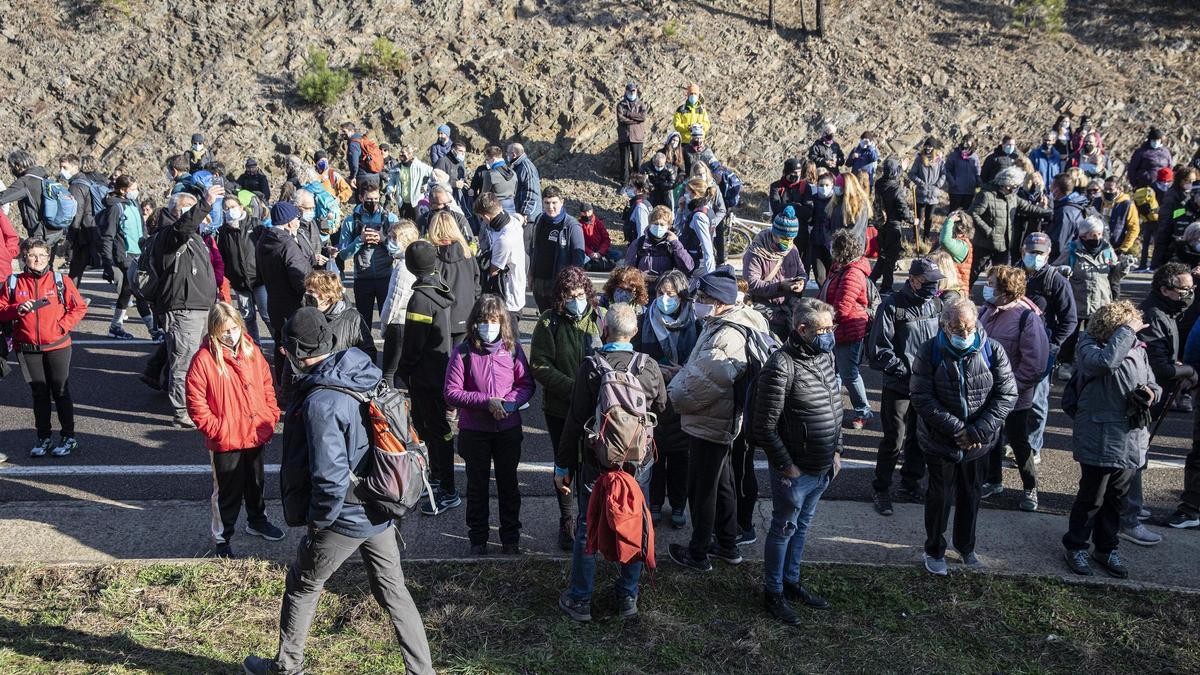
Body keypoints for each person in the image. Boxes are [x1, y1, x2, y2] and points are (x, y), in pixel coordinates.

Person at [243, 308, 433, 675]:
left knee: (303, 583)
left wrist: (317, 523)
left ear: (296, 351)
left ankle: (287, 666)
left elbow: (329, 478)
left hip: (344, 516)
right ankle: (423, 671)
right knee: (395, 594)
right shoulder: (359, 368)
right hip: (380, 508)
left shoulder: (321, 402)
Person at [555, 302, 666, 622]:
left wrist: (562, 467)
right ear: (634, 332)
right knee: (634, 523)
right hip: (637, 465)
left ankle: (580, 599)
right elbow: (663, 407)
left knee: (587, 527)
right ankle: (627, 596)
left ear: (605, 330)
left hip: (597, 463)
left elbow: (574, 421)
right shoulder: (648, 366)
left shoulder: (591, 366)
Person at [667, 267, 771, 571]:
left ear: (720, 301)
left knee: (702, 489)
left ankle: (698, 552)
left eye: (703, 297)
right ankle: (727, 544)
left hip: (711, 421)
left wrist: (672, 393)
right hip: (722, 420)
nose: (697, 301)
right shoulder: (727, 323)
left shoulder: (727, 335)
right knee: (723, 485)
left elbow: (703, 385)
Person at [911, 298, 1017, 575]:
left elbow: (1006, 395)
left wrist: (976, 432)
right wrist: (957, 429)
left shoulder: (993, 350)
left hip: (978, 443)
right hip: (940, 440)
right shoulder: (929, 351)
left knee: (971, 495)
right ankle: (934, 549)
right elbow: (922, 397)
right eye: (958, 329)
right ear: (945, 325)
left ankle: (966, 546)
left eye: (970, 327)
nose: (965, 334)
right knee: (939, 498)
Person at [753, 298, 841, 622]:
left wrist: (837, 450)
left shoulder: (825, 356)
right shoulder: (780, 364)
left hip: (822, 467)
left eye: (831, 328)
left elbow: (835, 407)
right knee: (784, 528)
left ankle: (791, 582)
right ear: (802, 329)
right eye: (823, 330)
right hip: (795, 471)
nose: (829, 335)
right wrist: (786, 466)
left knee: (802, 527)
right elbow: (764, 425)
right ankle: (773, 592)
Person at [1061, 301, 1159, 580]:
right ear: (1114, 327)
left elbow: (1153, 383)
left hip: (1130, 436)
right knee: (1092, 497)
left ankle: (1106, 548)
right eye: (1129, 326)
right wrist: (1126, 332)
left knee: (1116, 499)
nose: (1136, 331)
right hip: (1099, 436)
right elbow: (1104, 364)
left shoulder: (1138, 348)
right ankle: (1076, 546)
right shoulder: (1089, 346)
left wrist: (1151, 395)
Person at [184, 302, 282, 557]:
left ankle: (257, 521)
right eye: (225, 331)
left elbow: (267, 385)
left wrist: (270, 416)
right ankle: (222, 538)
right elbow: (196, 403)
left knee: (256, 483)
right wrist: (217, 430)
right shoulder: (204, 359)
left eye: (235, 329)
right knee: (227, 491)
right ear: (214, 330)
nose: (231, 335)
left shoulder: (252, 350)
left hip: (255, 432)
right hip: (226, 439)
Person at [443, 294, 536, 555]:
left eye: (494, 320)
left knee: (509, 484)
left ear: (502, 322)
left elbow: (526, 385)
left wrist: (508, 403)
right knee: (477, 486)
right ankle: (478, 539)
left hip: (508, 428)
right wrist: (488, 402)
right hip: (475, 430)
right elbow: (451, 392)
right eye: (484, 320)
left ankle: (510, 538)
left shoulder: (513, 349)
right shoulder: (463, 352)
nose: (489, 325)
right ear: (475, 322)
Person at [531, 266, 605, 550]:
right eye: (570, 295)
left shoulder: (597, 319)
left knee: (592, 462)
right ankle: (567, 519)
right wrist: (573, 388)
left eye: (580, 294)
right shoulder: (549, 322)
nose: (576, 299)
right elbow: (539, 364)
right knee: (564, 463)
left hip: (595, 409)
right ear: (561, 297)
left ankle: (591, 518)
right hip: (560, 408)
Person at [1124, 263, 1196, 546]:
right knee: (1135, 456)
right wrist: (1187, 371)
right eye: (1184, 290)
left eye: (1192, 289)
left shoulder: (1167, 311)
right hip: (1143, 398)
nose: (1189, 294)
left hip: (1153, 396)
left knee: (1140, 453)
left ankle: (1133, 504)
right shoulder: (1154, 315)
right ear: (1165, 289)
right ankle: (1128, 515)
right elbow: (1160, 368)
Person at [868, 258, 946, 515]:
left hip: (927, 386)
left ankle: (911, 483)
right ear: (912, 280)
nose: (933, 288)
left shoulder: (936, 303)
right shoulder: (892, 306)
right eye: (927, 282)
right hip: (900, 386)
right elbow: (879, 349)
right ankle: (881, 488)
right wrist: (906, 373)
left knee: (920, 438)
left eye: (936, 283)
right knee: (895, 439)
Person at [0, 238, 87, 458]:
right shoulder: (13, 282)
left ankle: (69, 437)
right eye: (32, 255)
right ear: (24, 258)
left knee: (60, 391)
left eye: (42, 255)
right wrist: (16, 309)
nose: (37, 259)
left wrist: (61, 326)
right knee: (39, 393)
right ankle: (44, 437)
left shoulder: (60, 280)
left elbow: (79, 307)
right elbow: (1, 311)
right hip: (27, 347)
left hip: (58, 345)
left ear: (49, 258)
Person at [396, 240, 460, 515]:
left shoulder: (420, 299)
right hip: (439, 371)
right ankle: (438, 477)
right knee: (436, 431)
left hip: (425, 376)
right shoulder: (439, 287)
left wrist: (403, 370)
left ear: (411, 267)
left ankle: (447, 488)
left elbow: (413, 343)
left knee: (434, 431)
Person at [977, 266, 1048, 511]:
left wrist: (1009, 390)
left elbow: (1034, 364)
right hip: (988, 392)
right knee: (991, 438)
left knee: (1019, 442)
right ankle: (993, 480)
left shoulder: (1027, 317)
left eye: (991, 282)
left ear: (1005, 290)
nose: (986, 286)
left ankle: (1030, 488)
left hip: (1015, 396)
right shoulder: (987, 311)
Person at [153, 187, 222, 428]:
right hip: (184, 309)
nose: (203, 219)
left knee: (203, 359)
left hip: (201, 307)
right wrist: (205, 202)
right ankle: (183, 411)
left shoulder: (194, 236)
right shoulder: (171, 233)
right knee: (185, 361)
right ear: (181, 212)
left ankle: (198, 404)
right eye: (195, 213)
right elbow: (183, 227)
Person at [637, 270, 700, 528]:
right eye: (661, 293)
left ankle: (677, 505)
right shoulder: (646, 320)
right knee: (655, 453)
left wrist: (681, 370)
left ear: (682, 297)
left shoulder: (695, 323)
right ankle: (654, 503)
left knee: (681, 457)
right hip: (653, 395)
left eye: (671, 294)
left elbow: (700, 360)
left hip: (684, 395)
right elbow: (639, 356)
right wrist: (657, 370)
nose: (664, 299)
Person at [1021, 232, 1077, 461]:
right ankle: (1010, 440)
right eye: (1031, 251)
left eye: (1039, 253)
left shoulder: (1056, 281)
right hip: (1012, 347)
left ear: (1048, 254)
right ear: (1022, 251)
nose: (1034, 256)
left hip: (1041, 349)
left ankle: (1033, 446)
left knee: (1037, 400)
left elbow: (1069, 320)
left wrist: (1053, 346)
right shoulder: (1013, 274)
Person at [1054, 217, 1125, 380]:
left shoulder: (1107, 249)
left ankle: (1091, 365)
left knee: (1097, 336)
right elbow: (1056, 268)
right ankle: (1065, 363)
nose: (1097, 238)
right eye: (1093, 235)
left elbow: (1115, 276)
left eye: (1099, 234)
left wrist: (1123, 267)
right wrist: (1063, 270)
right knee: (1070, 337)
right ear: (1084, 236)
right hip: (1076, 302)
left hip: (1100, 302)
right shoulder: (1072, 250)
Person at [968, 166, 1051, 287]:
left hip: (1004, 245)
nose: (1017, 188)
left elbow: (1028, 208)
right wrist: (988, 231)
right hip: (985, 243)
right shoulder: (986, 195)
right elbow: (972, 213)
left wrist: (1047, 212)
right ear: (1008, 184)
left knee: (1003, 275)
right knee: (974, 271)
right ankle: (965, 294)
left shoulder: (1012, 197)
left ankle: (999, 297)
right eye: (1016, 186)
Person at [824, 229, 874, 428]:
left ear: (840, 251)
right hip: (837, 329)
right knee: (834, 371)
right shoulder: (840, 267)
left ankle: (863, 411)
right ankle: (832, 409)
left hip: (848, 330)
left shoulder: (852, 273)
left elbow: (842, 308)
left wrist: (823, 321)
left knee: (848, 373)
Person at [335, 181, 397, 326]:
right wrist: (359, 240)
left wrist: (382, 240)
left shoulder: (390, 219)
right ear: (362, 198)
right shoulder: (350, 222)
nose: (373, 202)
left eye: (376, 199)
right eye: (369, 199)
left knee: (389, 323)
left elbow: (399, 249)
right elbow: (343, 254)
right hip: (362, 278)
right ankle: (365, 349)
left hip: (386, 277)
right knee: (363, 323)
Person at [99, 175, 153, 340]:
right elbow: (108, 236)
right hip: (126, 255)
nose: (136, 192)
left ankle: (116, 326)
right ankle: (153, 329)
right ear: (122, 190)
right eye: (132, 189)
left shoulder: (134, 203)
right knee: (137, 291)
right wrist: (108, 262)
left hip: (138, 253)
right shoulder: (116, 208)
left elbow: (142, 228)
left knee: (128, 290)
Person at [743, 206, 806, 338]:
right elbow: (751, 284)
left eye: (791, 238)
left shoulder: (792, 249)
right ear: (774, 233)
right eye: (784, 238)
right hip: (766, 314)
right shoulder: (756, 252)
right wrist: (781, 286)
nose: (788, 242)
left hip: (789, 312)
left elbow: (802, 272)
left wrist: (801, 282)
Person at [216, 195, 267, 343]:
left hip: (260, 280)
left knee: (266, 315)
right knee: (248, 317)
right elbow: (223, 257)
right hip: (240, 284)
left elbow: (266, 249)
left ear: (241, 207)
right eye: (226, 208)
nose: (229, 210)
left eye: (232, 207)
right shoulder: (223, 232)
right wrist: (231, 276)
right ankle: (256, 348)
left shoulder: (256, 225)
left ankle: (279, 345)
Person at [0, 150, 66, 262]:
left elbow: (2, 198)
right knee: (45, 268)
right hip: (55, 231)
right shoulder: (43, 178)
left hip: (40, 233)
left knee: (35, 269)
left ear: (18, 165)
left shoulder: (25, 181)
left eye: (11, 167)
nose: (11, 170)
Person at [426, 210, 480, 343]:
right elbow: (477, 288)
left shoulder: (432, 258)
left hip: (442, 319)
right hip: (467, 315)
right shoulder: (468, 255)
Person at [530, 186, 586, 312]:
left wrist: (573, 286)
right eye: (547, 203)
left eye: (554, 203)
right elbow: (533, 248)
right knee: (545, 321)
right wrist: (530, 274)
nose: (550, 207)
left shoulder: (572, 226)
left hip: (560, 284)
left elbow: (579, 260)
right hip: (539, 283)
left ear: (562, 202)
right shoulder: (539, 220)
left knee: (560, 323)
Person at [379, 220, 421, 387]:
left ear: (404, 239)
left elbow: (394, 300)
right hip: (411, 322)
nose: (389, 241)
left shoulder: (403, 267)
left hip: (398, 323)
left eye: (392, 237)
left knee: (389, 371)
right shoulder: (417, 260)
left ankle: (389, 407)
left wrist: (384, 325)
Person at [473, 192, 527, 317]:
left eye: (482, 217)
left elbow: (494, 270)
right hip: (517, 289)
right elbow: (520, 217)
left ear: (486, 217)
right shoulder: (513, 221)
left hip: (508, 300)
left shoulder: (504, 239)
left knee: (509, 335)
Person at [304, 270, 377, 360]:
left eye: (311, 291)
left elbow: (368, 354)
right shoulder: (303, 317)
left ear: (327, 295)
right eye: (306, 290)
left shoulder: (353, 319)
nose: (306, 294)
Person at [59, 154, 102, 287]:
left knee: (76, 266)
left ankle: (71, 299)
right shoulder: (85, 181)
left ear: (75, 167)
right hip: (91, 228)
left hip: (81, 233)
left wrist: (70, 238)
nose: (61, 170)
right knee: (79, 266)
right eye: (60, 167)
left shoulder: (76, 186)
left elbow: (77, 214)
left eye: (65, 167)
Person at [872, 157, 913, 292]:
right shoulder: (896, 189)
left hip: (881, 225)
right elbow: (903, 211)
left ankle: (871, 281)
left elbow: (893, 176)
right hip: (893, 227)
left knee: (883, 257)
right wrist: (913, 220)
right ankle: (886, 287)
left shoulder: (879, 183)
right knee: (890, 259)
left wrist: (902, 168)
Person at [625, 205, 694, 278]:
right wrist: (640, 276)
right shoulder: (638, 243)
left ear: (668, 226)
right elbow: (628, 270)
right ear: (650, 224)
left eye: (662, 224)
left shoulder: (673, 245)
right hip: (642, 286)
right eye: (655, 224)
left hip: (666, 287)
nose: (658, 227)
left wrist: (676, 243)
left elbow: (688, 267)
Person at [1046, 172, 1093, 263]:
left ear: (1057, 190)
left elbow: (1059, 244)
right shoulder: (1076, 205)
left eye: (1051, 186)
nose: (1050, 189)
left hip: (1062, 262)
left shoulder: (1065, 212)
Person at [676, 177, 717, 276]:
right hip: (695, 261)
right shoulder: (707, 209)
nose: (685, 195)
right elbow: (679, 229)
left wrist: (710, 276)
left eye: (687, 192)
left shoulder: (699, 216)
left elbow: (707, 247)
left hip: (696, 264)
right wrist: (680, 210)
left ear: (695, 193)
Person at [910, 138, 947, 241]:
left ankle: (926, 237)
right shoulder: (919, 159)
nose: (928, 148)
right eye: (926, 146)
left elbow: (944, 174)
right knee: (919, 218)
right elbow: (912, 173)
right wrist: (920, 183)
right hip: (921, 193)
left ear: (934, 148)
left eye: (930, 146)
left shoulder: (940, 161)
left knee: (929, 218)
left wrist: (938, 184)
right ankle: (916, 237)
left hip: (933, 194)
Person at [386, 145, 433, 220]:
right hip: (402, 202)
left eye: (403, 153)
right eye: (400, 153)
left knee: (417, 224)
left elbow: (432, 173)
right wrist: (390, 189)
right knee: (404, 224)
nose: (401, 155)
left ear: (410, 154)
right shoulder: (397, 168)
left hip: (416, 202)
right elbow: (392, 180)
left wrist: (425, 185)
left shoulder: (419, 166)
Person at [1100, 176, 1141, 259]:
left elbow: (1134, 228)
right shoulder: (1098, 201)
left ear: (1120, 189)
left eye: (1111, 189)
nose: (1107, 191)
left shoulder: (1127, 205)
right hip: (1097, 246)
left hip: (1115, 247)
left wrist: (1123, 248)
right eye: (1105, 188)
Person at [616, 82, 647, 183]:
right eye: (630, 90)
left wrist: (628, 114)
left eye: (634, 90)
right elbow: (621, 119)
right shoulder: (620, 105)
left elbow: (643, 117)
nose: (632, 92)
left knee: (637, 163)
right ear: (626, 91)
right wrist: (635, 121)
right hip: (624, 137)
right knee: (624, 163)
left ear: (636, 91)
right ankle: (624, 184)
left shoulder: (641, 104)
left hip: (637, 138)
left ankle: (637, 185)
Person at [829, 171, 872, 244]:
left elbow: (855, 231)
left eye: (839, 186)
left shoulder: (861, 205)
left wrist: (839, 242)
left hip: (853, 247)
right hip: (835, 245)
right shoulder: (836, 202)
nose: (836, 187)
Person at [508, 143, 543, 227]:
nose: (506, 155)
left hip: (528, 218)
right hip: (520, 215)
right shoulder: (518, 166)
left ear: (513, 154)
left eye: (507, 152)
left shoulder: (526, 168)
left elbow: (532, 191)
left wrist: (525, 212)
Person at [945, 136, 981, 212]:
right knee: (953, 213)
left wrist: (977, 182)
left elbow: (978, 171)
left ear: (972, 143)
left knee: (965, 214)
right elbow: (946, 170)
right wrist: (952, 182)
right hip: (956, 190)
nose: (965, 143)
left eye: (968, 141)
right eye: (964, 141)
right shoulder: (954, 155)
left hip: (969, 191)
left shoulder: (974, 156)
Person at [578, 203, 617, 271]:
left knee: (618, 254)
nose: (587, 214)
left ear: (592, 211)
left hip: (600, 251)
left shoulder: (598, 223)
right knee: (582, 260)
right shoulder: (578, 225)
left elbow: (606, 240)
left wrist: (600, 252)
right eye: (584, 212)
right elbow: (579, 242)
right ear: (581, 213)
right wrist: (590, 253)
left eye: (588, 212)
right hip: (587, 253)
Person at [622, 174, 652, 242]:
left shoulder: (640, 207)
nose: (628, 189)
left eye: (631, 186)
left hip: (638, 245)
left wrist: (637, 248)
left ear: (640, 189)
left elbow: (642, 232)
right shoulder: (637, 203)